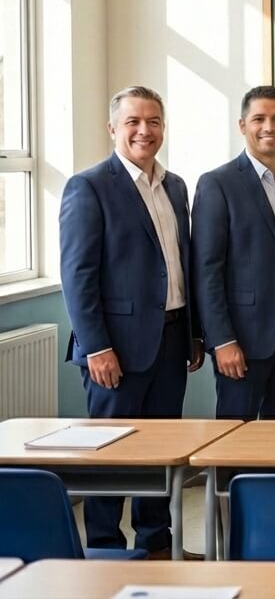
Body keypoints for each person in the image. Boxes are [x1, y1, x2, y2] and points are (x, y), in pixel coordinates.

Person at [58, 85, 205, 559]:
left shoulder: (175, 185)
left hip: (171, 338)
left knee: (161, 449)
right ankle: (105, 549)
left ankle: (156, 543)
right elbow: (77, 275)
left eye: (154, 121)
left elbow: (181, 265)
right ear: (113, 128)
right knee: (111, 452)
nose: (145, 130)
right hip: (115, 348)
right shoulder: (89, 186)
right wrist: (96, 347)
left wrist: (193, 332)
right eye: (133, 122)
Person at [193, 86, 275, 421]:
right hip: (242, 336)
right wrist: (222, 340)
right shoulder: (217, 183)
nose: (269, 127)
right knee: (235, 432)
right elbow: (206, 270)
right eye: (259, 118)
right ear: (242, 125)